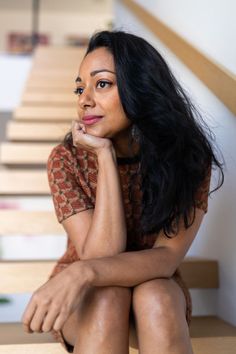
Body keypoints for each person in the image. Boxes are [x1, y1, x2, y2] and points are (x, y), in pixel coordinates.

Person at [22, 30, 224, 354]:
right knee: (108, 297)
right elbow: (98, 256)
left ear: (140, 87)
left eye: (102, 84)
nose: (84, 99)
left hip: (149, 286)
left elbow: (166, 258)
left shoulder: (188, 157)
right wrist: (104, 157)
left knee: (156, 295)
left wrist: (85, 273)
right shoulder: (67, 160)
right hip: (88, 295)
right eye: (80, 87)